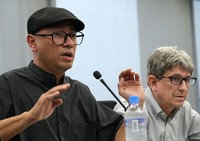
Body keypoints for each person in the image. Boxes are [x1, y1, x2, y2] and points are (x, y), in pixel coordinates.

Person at [0, 7, 125, 141]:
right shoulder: (8, 85)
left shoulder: (81, 92)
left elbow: (116, 130)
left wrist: (136, 104)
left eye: (72, 35)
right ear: (32, 42)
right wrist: (30, 117)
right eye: (58, 35)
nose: (70, 43)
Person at [114, 46, 200, 140]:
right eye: (175, 79)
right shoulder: (130, 109)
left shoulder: (187, 112)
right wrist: (137, 107)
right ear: (153, 83)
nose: (183, 88)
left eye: (187, 79)